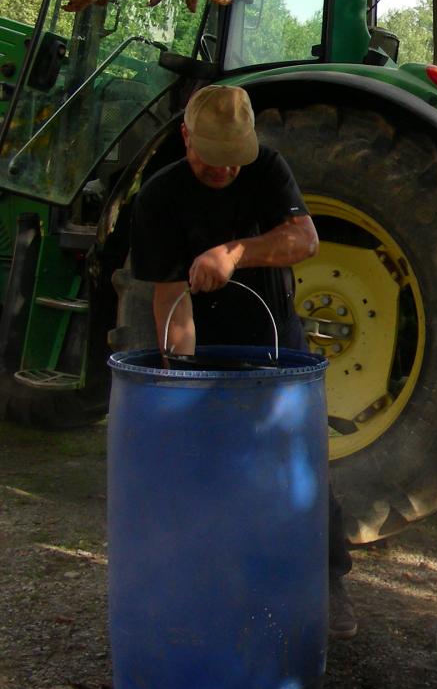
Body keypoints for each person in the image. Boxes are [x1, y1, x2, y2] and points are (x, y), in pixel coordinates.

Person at [129, 84, 358, 639]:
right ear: (187, 137)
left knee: (302, 471)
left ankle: (329, 585)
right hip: (205, 350)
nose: (226, 170)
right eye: (212, 158)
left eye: (236, 159)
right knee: (207, 471)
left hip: (277, 345)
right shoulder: (160, 197)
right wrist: (178, 381)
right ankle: (210, 586)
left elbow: (304, 239)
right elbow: (170, 301)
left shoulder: (267, 169)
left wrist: (234, 252)